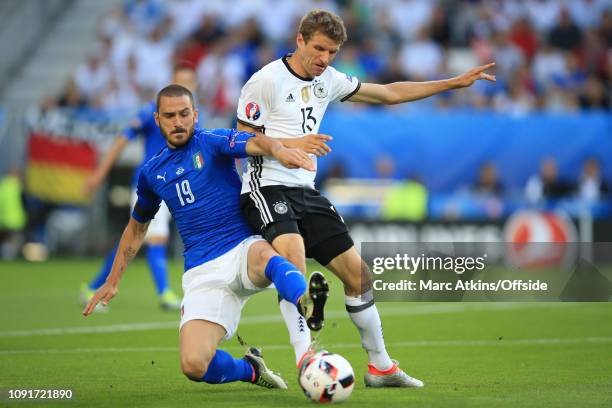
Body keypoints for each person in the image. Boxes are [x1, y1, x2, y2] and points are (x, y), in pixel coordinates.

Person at [236, 8, 496, 388]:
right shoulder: (265, 81)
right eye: (320, 49)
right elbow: (241, 141)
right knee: (293, 262)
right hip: (265, 187)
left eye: (333, 52)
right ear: (300, 41)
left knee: (359, 275)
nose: (325, 59)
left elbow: (388, 93)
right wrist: (289, 145)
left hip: (305, 191)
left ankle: (381, 366)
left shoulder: (329, 80)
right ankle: (306, 357)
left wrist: (453, 83)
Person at [83, 84, 326, 389]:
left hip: (242, 248)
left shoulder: (212, 141)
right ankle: (250, 369)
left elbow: (256, 141)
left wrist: (280, 149)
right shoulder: (151, 173)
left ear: (195, 115)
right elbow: (136, 228)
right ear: (157, 119)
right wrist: (114, 279)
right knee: (194, 364)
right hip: (202, 272)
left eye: (184, 114)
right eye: (170, 116)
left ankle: (305, 302)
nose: (178, 122)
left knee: (268, 257)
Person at [80, 65, 198, 311]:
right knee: (156, 236)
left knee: (133, 237)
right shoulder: (150, 113)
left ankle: (94, 286)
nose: (185, 85)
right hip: (152, 185)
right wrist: (100, 174)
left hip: (177, 185)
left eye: (189, 82)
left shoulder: (195, 118)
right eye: (181, 81)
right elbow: (121, 140)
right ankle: (165, 293)